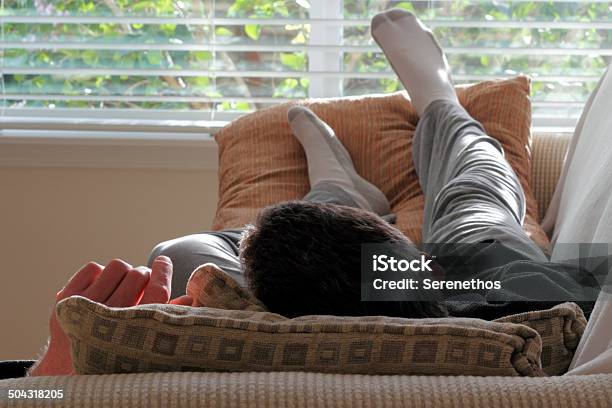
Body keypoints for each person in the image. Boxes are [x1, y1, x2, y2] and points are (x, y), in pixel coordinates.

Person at [10, 9, 599, 378]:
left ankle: (337, 194)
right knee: (478, 200)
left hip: (385, 290)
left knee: (191, 253)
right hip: (476, 297)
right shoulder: (525, 317)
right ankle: (437, 99)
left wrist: (51, 374)